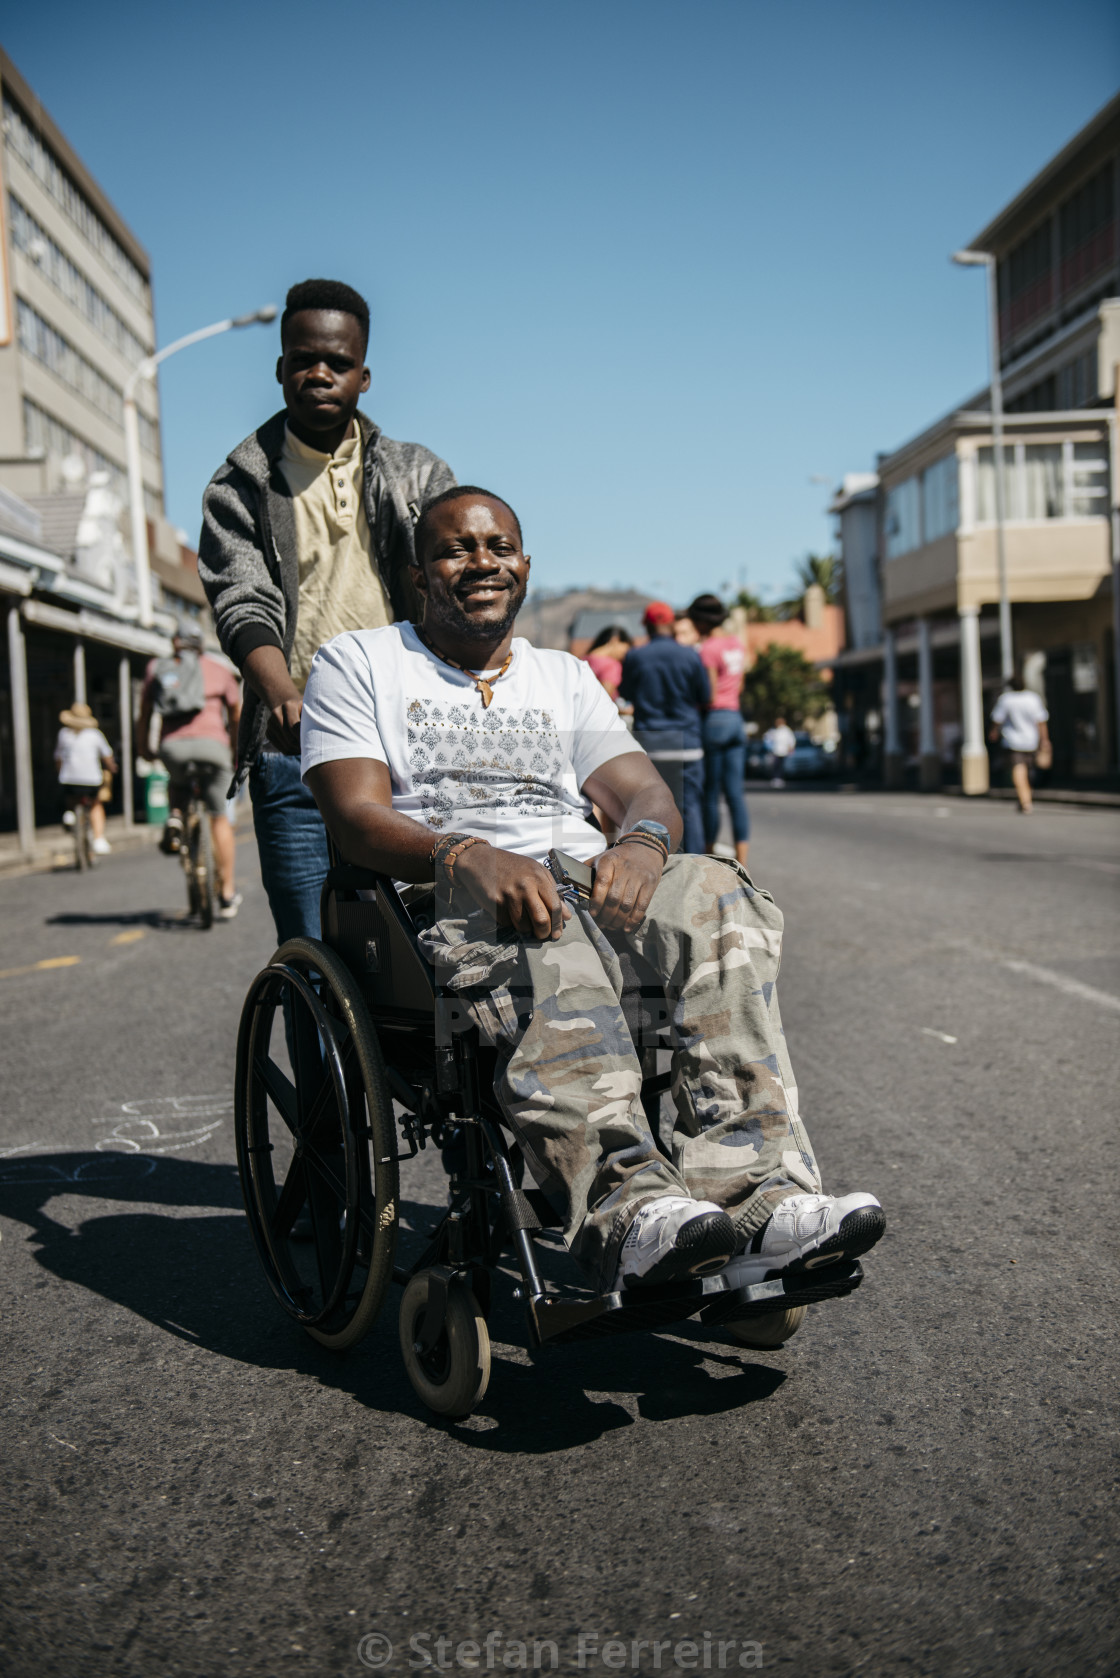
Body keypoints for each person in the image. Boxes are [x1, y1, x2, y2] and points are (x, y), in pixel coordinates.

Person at [301, 486, 885, 1301]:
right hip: (450, 891)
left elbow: (643, 792)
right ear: (416, 575)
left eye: (499, 547)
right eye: (457, 549)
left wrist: (645, 843)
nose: (482, 563)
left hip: (581, 876)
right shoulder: (359, 663)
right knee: (540, 919)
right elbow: (354, 816)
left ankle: (761, 1199)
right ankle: (627, 1209)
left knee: (718, 890)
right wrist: (465, 853)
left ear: (525, 567)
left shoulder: (563, 677)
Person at [198, 277, 455, 946]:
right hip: (296, 745)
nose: (319, 374)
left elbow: (455, 577)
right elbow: (239, 593)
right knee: (314, 951)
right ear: (281, 368)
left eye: (337, 363)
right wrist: (280, 694)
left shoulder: (416, 475)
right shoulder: (241, 483)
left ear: (363, 376)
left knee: (419, 950)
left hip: (408, 739)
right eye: (304, 359)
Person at [138, 627, 244, 918]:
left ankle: (175, 815)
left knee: (179, 782)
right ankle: (226, 894)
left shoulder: (158, 668)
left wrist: (144, 748)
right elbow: (236, 713)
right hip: (213, 748)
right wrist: (235, 749)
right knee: (219, 818)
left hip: (173, 747)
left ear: (175, 643)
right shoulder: (219, 669)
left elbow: (145, 713)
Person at [618, 601, 708, 853]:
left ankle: (661, 868)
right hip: (687, 745)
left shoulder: (636, 656)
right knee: (690, 810)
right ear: (670, 624)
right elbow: (705, 695)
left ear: (647, 626)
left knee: (654, 810)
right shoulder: (690, 655)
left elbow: (625, 692)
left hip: (652, 746)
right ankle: (697, 870)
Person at [687, 593, 750, 867]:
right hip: (736, 718)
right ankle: (744, 859)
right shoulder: (737, 644)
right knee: (736, 794)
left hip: (714, 721)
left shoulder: (709, 649)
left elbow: (710, 695)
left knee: (710, 794)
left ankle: (710, 854)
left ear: (701, 621)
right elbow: (741, 685)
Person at [55, 702, 117, 854]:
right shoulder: (95, 735)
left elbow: (58, 758)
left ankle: (70, 814)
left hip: (69, 778)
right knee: (96, 804)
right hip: (91, 779)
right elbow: (107, 757)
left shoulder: (64, 734)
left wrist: (60, 771)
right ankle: (98, 838)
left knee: (71, 797)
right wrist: (112, 768)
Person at [990, 670, 1050, 814]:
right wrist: (1045, 739)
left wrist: (993, 732)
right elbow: (1041, 722)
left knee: (1018, 770)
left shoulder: (1006, 699)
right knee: (1027, 771)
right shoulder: (1033, 698)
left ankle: (1025, 800)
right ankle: (1025, 799)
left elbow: (997, 720)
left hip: (1012, 741)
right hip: (1031, 741)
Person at [584, 625, 632, 703]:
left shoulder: (582, 659)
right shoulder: (612, 665)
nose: (625, 655)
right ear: (615, 640)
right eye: (625, 649)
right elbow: (605, 698)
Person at [763, 715, 796, 785]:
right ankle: (775, 778)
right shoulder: (774, 730)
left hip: (784, 751)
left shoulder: (786, 730)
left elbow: (791, 740)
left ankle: (780, 778)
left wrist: (791, 748)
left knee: (781, 766)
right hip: (775, 751)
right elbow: (767, 738)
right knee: (775, 765)